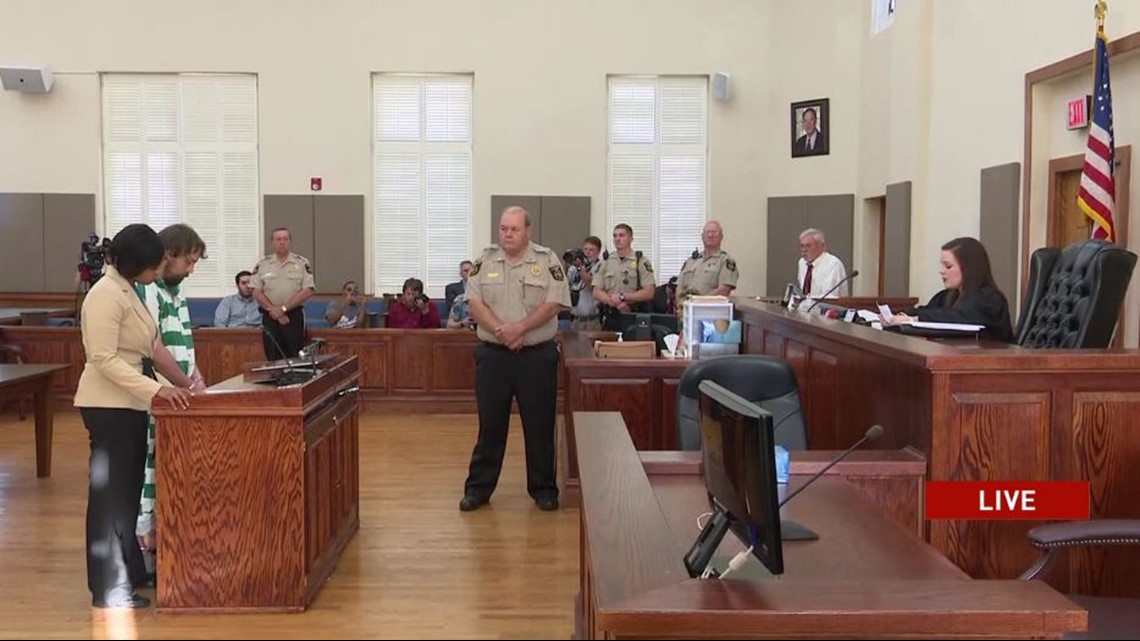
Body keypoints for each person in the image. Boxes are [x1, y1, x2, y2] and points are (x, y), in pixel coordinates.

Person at [73, 224, 191, 609]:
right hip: (109, 407)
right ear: (137, 263)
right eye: (154, 265)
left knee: (124, 497)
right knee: (110, 499)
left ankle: (130, 574)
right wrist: (158, 390)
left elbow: (146, 349)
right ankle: (107, 587)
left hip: (129, 404)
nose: (158, 272)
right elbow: (104, 359)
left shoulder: (128, 291)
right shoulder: (104, 295)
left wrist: (184, 385)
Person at [460, 206, 571, 512]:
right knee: (490, 425)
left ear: (528, 232)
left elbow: (554, 303)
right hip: (493, 356)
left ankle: (544, 489)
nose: (507, 234)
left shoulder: (547, 260)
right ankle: (479, 488)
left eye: (514, 229)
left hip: (536, 356)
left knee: (539, 425)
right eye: (503, 228)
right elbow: (474, 302)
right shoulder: (485, 260)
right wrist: (501, 330)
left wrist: (519, 328)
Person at [135, 224, 207, 581]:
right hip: (158, 394)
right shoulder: (149, 291)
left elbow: (185, 345)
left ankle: (166, 536)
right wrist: (185, 384)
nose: (191, 269)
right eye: (188, 261)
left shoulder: (176, 291)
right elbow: (155, 348)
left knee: (168, 467)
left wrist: (198, 379)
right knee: (149, 467)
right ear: (168, 256)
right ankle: (145, 542)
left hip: (180, 393)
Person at [887, 236, 1014, 342]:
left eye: (948, 266)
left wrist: (914, 319)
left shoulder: (990, 299)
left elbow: (958, 319)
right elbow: (929, 311)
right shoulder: (947, 295)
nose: (941, 271)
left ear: (968, 268)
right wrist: (902, 316)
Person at [250, 227, 315, 360]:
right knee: (272, 354)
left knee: (295, 355)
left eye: (285, 239)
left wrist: (284, 309)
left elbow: (308, 290)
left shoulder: (302, 263)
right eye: (278, 239)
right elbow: (256, 291)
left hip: (293, 315)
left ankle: (295, 380)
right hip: (270, 315)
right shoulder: (262, 264)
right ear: (272, 242)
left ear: (290, 242)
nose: (282, 242)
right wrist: (275, 311)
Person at [592, 224, 656, 331]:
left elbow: (649, 292)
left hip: (634, 315)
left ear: (631, 239)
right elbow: (596, 291)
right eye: (615, 236)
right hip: (610, 315)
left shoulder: (640, 261)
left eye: (621, 236)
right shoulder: (606, 262)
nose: (617, 239)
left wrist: (623, 297)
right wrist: (614, 302)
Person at [677, 220, 739, 298]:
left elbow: (724, 290)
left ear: (721, 237)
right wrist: (681, 304)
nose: (710, 235)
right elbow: (679, 287)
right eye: (707, 232)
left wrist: (699, 302)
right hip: (686, 307)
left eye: (714, 232)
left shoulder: (725, 261)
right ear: (702, 237)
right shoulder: (691, 261)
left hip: (710, 308)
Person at [797, 228, 848, 298]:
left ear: (822, 246)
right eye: (802, 246)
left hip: (831, 307)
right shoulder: (802, 263)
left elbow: (830, 297)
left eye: (808, 246)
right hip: (807, 307)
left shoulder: (833, 264)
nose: (804, 250)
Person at [567, 236, 603, 330]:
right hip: (575, 320)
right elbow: (564, 284)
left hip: (591, 321)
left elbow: (592, 285)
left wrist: (580, 269)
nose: (587, 252)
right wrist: (567, 262)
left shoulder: (600, 267)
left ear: (598, 252)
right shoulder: (574, 268)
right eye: (585, 249)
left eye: (591, 250)